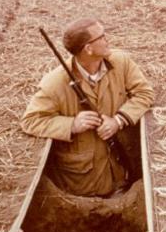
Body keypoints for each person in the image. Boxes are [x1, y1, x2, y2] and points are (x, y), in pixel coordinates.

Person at [20, 18, 154, 197]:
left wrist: (118, 120)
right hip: (83, 185)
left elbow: (145, 93)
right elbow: (30, 121)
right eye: (102, 36)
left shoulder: (121, 62)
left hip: (122, 172)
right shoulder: (55, 82)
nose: (107, 40)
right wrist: (72, 125)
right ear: (88, 48)